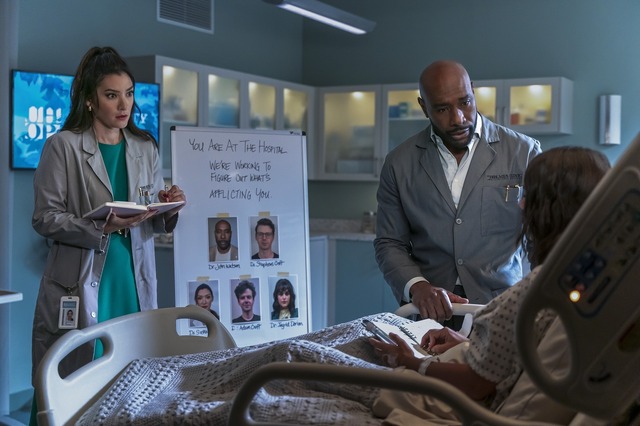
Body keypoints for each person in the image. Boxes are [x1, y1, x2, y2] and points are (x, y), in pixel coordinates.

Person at [369, 147, 611, 418]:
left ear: (551, 208)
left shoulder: (536, 291)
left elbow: (477, 384)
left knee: (349, 367)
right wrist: (465, 345)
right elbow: (518, 357)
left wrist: (411, 362)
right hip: (476, 355)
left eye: (529, 196)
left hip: (475, 398)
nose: (521, 204)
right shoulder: (590, 279)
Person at [31, 46, 186, 422]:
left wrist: (169, 207)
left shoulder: (145, 148)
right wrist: (100, 226)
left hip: (132, 280)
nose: (124, 105)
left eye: (129, 94)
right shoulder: (63, 146)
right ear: (90, 99)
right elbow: (45, 218)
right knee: (77, 383)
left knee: (133, 384)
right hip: (83, 281)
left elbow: (150, 216)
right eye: (112, 95)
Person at [374, 60, 542, 323]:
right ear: (424, 107)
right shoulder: (399, 163)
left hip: (503, 308)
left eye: (465, 102)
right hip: (431, 311)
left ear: (473, 91)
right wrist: (418, 287)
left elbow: (540, 237)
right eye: (442, 109)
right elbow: (389, 242)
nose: (458, 119)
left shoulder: (524, 152)